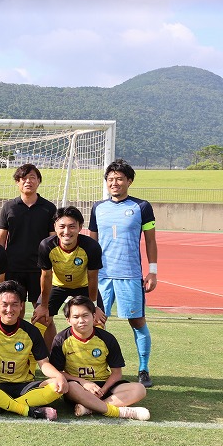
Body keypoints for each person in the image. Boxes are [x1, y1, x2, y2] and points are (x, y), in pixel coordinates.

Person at [89, 159, 158, 387]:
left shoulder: (142, 207)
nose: (114, 183)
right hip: (102, 276)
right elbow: (92, 243)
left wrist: (152, 271)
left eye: (119, 179)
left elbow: (151, 241)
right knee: (96, 322)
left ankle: (143, 369)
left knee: (137, 321)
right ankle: (95, 367)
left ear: (129, 181)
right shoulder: (98, 208)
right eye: (110, 179)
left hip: (130, 275)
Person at [0, 280, 68, 420]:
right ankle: (27, 410)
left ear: (21, 305)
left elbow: (44, 364)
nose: (9, 310)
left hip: (24, 386)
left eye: (14, 304)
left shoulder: (31, 331)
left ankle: (0, 405)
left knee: (56, 386)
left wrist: (59, 376)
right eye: (5, 304)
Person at [49, 296, 150, 420]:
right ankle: (115, 410)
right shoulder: (61, 339)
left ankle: (90, 408)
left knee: (139, 389)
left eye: (85, 315)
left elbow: (117, 372)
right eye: (76, 317)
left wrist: (104, 389)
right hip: (79, 387)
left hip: (104, 386)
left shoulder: (107, 338)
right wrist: (84, 382)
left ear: (93, 316)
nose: (81, 320)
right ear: (68, 320)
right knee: (71, 387)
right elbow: (57, 372)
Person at [0, 164, 56, 340]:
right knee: (15, 313)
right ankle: (15, 349)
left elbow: (53, 240)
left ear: (39, 181)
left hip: (40, 270)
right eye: (23, 178)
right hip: (13, 268)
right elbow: (0, 239)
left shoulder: (49, 208)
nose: (28, 181)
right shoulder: (9, 207)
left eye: (32, 178)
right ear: (17, 182)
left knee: (44, 316)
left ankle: (52, 353)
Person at [33, 206, 105, 344]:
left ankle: (93, 355)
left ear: (80, 227)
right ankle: (49, 355)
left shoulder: (91, 247)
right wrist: (44, 305)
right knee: (40, 319)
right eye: (62, 227)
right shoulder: (46, 246)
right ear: (55, 227)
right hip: (57, 285)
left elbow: (93, 277)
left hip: (84, 286)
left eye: (72, 226)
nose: (66, 232)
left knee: (97, 321)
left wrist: (94, 306)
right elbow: (46, 276)